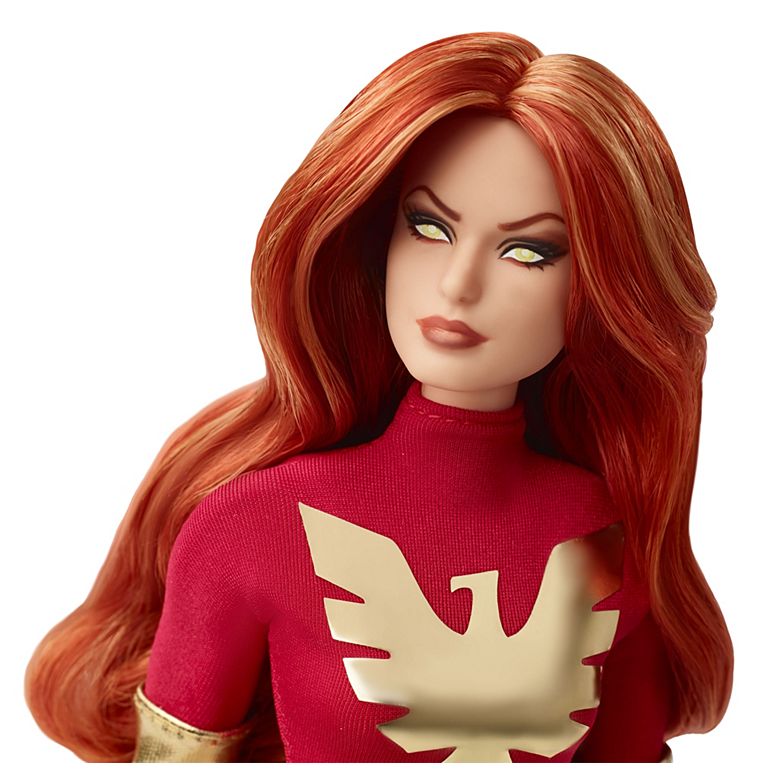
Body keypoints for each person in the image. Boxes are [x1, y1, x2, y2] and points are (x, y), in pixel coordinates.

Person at [25, 31, 733, 763]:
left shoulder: (611, 536)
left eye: (529, 250)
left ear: (603, 290)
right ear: (375, 242)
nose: (458, 284)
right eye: (429, 226)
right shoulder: (253, 526)